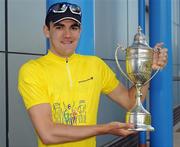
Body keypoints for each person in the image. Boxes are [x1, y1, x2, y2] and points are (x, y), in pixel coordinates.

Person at [18, 2, 168, 147]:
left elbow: (132, 102)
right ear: (46, 30)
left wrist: (146, 69)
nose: (67, 34)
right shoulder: (32, 70)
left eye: (74, 27)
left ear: (80, 31)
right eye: (59, 27)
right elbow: (48, 133)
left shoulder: (95, 65)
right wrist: (105, 129)